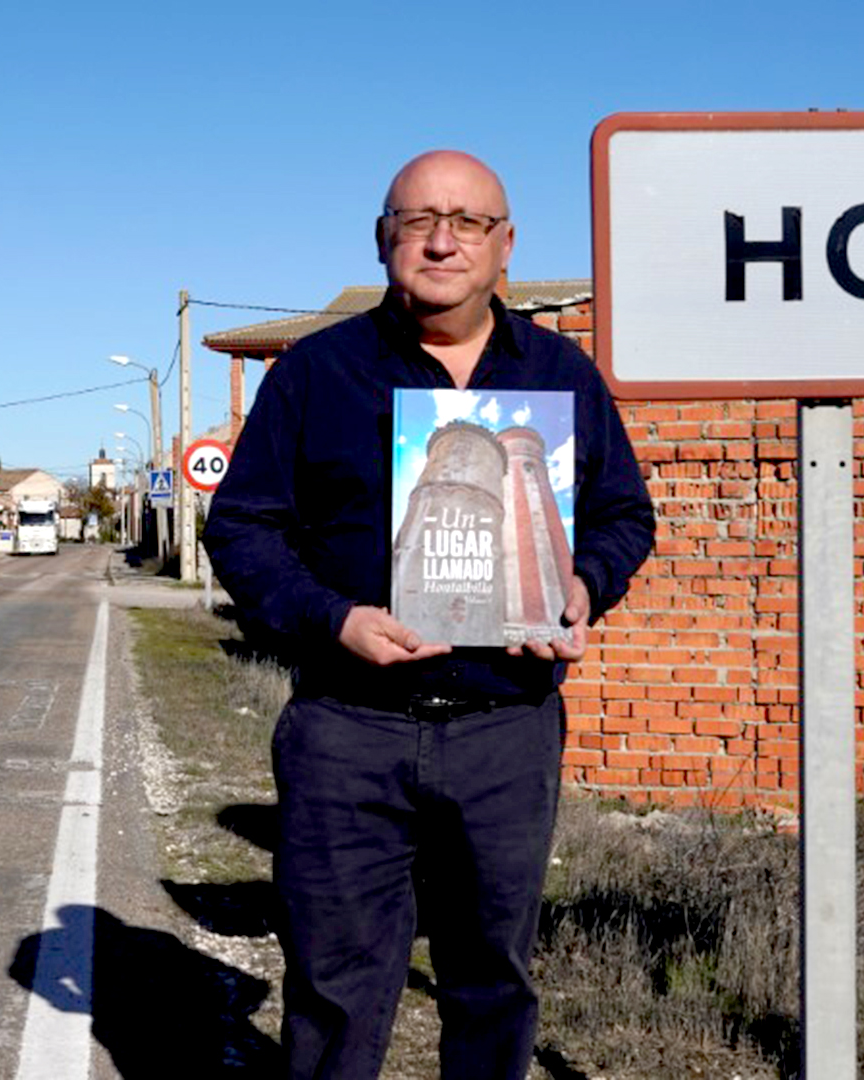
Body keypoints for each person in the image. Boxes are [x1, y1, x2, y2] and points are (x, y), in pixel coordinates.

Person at [204, 149, 655, 1079]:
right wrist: (333, 618)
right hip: (347, 726)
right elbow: (243, 527)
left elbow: (623, 516)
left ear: (505, 247)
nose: (442, 241)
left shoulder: (561, 376)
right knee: (336, 984)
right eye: (417, 221)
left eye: (468, 223)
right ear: (383, 240)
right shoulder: (315, 375)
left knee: (491, 981)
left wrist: (582, 586)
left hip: (505, 727)